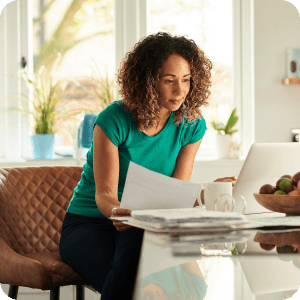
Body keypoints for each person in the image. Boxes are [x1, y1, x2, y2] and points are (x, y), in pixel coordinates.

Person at [59, 31, 237, 300]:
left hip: (146, 224)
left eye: (186, 80)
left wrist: (208, 192)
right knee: (138, 285)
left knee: (191, 287)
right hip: (91, 223)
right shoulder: (113, 119)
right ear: (147, 81)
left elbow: (176, 193)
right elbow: (104, 195)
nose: (180, 91)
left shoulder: (191, 125)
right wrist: (122, 213)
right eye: (169, 81)